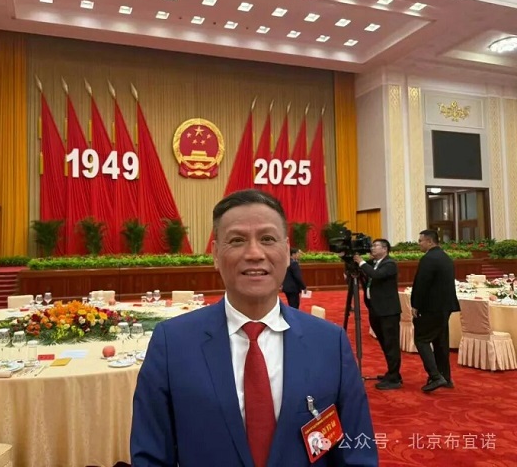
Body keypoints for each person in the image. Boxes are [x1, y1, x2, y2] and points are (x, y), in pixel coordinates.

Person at [131, 189, 377, 467]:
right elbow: (151, 455)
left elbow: (356, 453)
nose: (254, 253)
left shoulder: (329, 342)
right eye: (237, 240)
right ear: (215, 254)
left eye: (267, 239)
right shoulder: (172, 343)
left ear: (287, 252)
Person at [411, 229, 460, 392]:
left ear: (430, 241)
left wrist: (416, 305)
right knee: (440, 342)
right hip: (445, 307)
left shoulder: (428, 259)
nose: (419, 244)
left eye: (421, 241)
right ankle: (446, 377)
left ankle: (435, 376)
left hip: (431, 307)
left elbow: (422, 284)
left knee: (421, 340)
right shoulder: (445, 257)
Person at [354, 239, 402, 390]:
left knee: (391, 344)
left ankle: (394, 378)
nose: (372, 248)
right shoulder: (374, 262)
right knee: (384, 343)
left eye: (376, 246)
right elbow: (360, 268)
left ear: (385, 249)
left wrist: (361, 262)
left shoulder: (390, 264)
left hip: (388, 311)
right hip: (376, 309)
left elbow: (376, 275)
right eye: (372, 246)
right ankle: (392, 372)